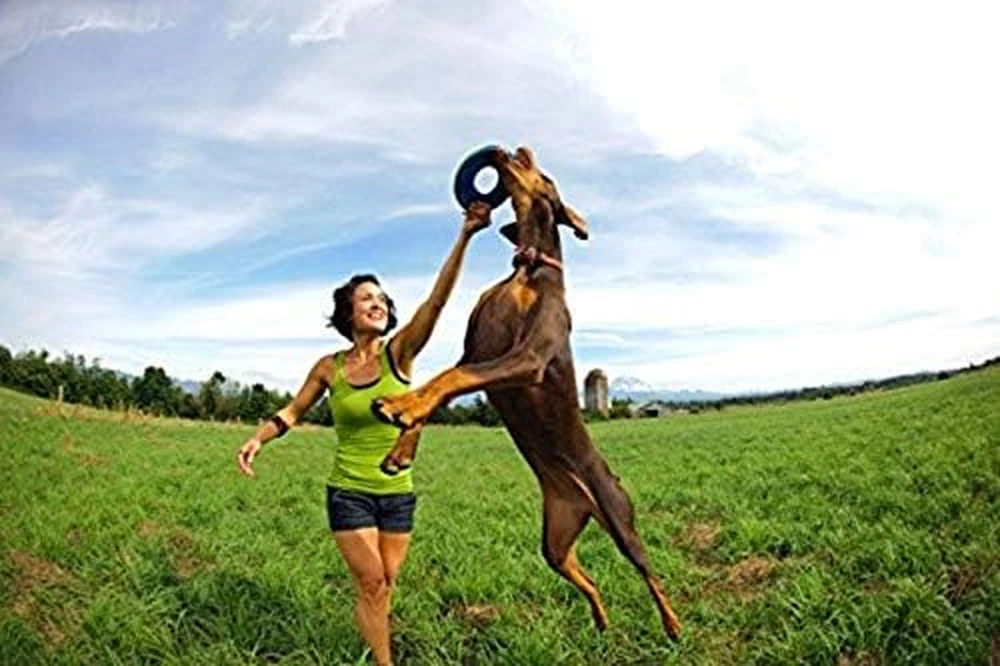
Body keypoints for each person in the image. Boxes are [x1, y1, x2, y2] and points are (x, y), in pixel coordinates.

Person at [236, 202, 492, 666]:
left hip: (398, 493)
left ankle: (374, 637)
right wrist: (259, 438)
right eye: (366, 298)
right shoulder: (328, 367)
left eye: (383, 299)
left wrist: (466, 235)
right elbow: (292, 412)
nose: (378, 304)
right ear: (348, 313)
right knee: (372, 583)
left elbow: (435, 303)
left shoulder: (400, 354)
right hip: (349, 491)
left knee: (385, 584)